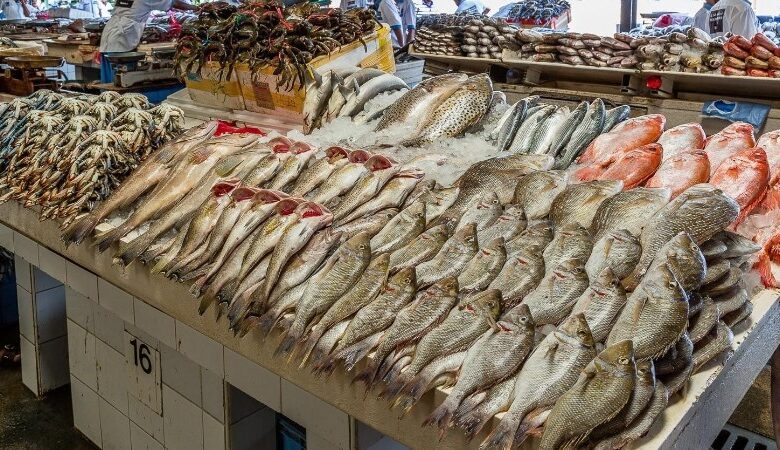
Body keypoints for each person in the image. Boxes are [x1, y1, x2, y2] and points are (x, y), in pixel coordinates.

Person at [99, 0, 197, 53]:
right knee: (120, 71)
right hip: (123, 36)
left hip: (111, 31)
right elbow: (174, 3)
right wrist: (197, 8)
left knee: (112, 72)